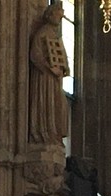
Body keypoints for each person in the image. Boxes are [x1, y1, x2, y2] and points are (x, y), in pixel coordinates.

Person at [28, 1, 70, 144]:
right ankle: (44, 133)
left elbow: (63, 58)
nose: (60, 19)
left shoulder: (56, 35)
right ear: (50, 15)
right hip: (44, 78)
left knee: (60, 104)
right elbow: (35, 54)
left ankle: (55, 135)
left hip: (55, 79)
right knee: (47, 103)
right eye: (58, 16)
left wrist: (63, 69)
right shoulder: (43, 33)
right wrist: (48, 67)